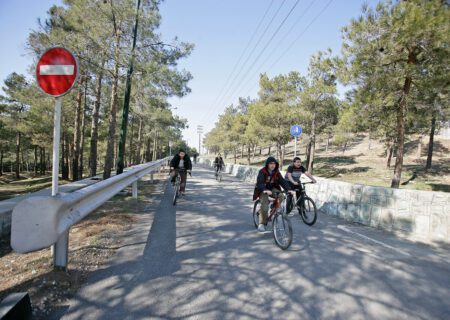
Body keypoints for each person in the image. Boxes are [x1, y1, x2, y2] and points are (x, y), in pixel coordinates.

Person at [253, 156, 295, 232]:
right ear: (267, 164)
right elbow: (260, 183)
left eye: (274, 164)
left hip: (272, 188)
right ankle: (262, 223)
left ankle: (273, 208)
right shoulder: (262, 171)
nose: (273, 165)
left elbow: (282, 181)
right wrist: (265, 189)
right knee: (265, 206)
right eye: (271, 164)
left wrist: (289, 189)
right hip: (262, 190)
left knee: (281, 195)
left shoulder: (276, 172)